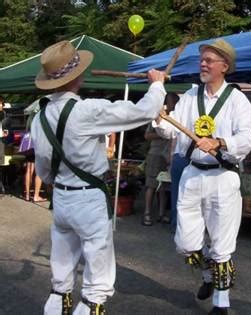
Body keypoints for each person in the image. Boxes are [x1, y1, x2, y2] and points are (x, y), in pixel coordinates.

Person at [31, 40, 166, 315]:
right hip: (88, 199)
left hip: (61, 200)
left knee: (61, 277)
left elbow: (43, 169)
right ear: (76, 76)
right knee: (96, 281)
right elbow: (143, 112)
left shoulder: (39, 117)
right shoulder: (86, 110)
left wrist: (57, 182)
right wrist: (157, 84)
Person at [154, 39, 251, 314]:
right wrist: (159, 116)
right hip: (191, 176)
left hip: (223, 177)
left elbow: (247, 138)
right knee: (185, 244)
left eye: (210, 60)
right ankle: (209, 275)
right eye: (202, 59)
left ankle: (221, 302)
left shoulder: (237, 100)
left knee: (222, 245)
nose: (203, 63)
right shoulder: (189, 96)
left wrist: (219, 142)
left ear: (225, 66)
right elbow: (170, 130)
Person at [142, 122, 171, 226]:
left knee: (164, 185)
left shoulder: (177, 116)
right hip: (155, 154)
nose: (173, 105)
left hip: (168, 156)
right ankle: (147, 213)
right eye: (171, 103)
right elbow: (147, 135)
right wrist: (164, 134)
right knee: (151, 185)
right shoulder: (156, 120)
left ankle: (161, 214)